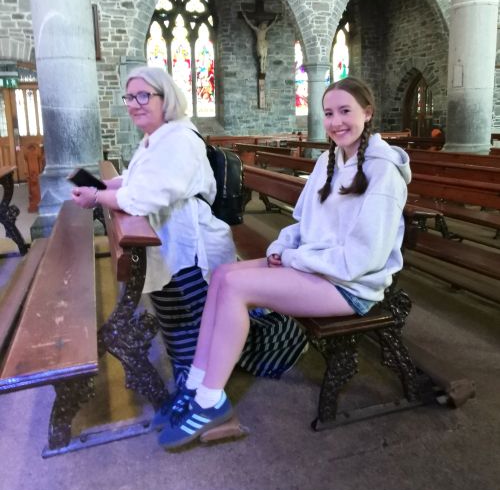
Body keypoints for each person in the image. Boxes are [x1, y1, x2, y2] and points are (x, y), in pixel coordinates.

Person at [158, 76, 411, 449]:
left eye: (345, 111)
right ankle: (196, 384)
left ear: (368, 113)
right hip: (317, 268)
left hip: (351, 285)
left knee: (236, 288)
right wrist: (281, 246)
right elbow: (304, 224)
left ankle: (211, 401)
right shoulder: (328, 160)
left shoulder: (383, 171)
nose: (336, 121)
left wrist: (294, 258)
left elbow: (362, 259)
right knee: (223, 275)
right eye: (328, 113)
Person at [71, 66, 306, 409]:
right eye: (129, 97)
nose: (134, 104)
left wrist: (96, 197)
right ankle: (192, 374)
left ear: (166, 98)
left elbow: (147, 196)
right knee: (180, 317)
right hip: (170, 238)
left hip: (190, 246)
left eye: (143, 96)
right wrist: (103, 185)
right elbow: (136, 180)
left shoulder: (179, 139)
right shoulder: (155, 137)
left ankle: (211, 377)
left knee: (193, 316)